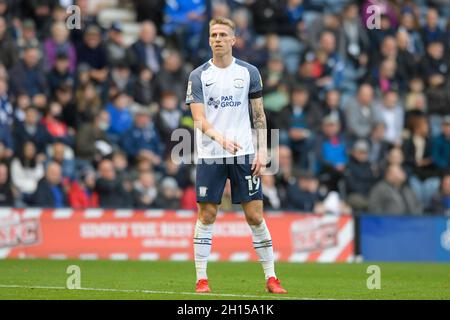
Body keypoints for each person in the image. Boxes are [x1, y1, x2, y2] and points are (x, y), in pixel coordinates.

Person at [186, 18, 287, 294]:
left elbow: (258, 114)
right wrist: (219, 138)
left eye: (223, 35)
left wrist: (263, 149)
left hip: (244, 153)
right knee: (207, 213)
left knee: (255, 215)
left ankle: (271, 277)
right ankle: (202, 279)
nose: (217, 39)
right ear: (209, 40)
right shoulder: (198, 76)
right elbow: (198, 119)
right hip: (211, 154)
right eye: (213, 35)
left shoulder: (249, 72)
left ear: (233, 39)